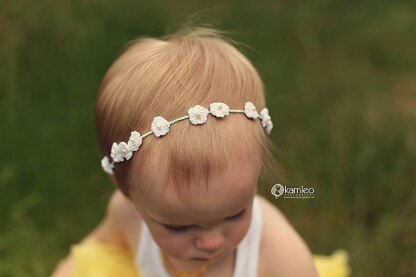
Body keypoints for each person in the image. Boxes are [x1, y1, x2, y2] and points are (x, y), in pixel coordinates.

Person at [52, 26, 319, 277]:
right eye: (179, 227)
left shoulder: (282, 256)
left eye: (236, 213)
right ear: (126, 191)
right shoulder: (126, 213)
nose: (212, 241)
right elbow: (94, 251)